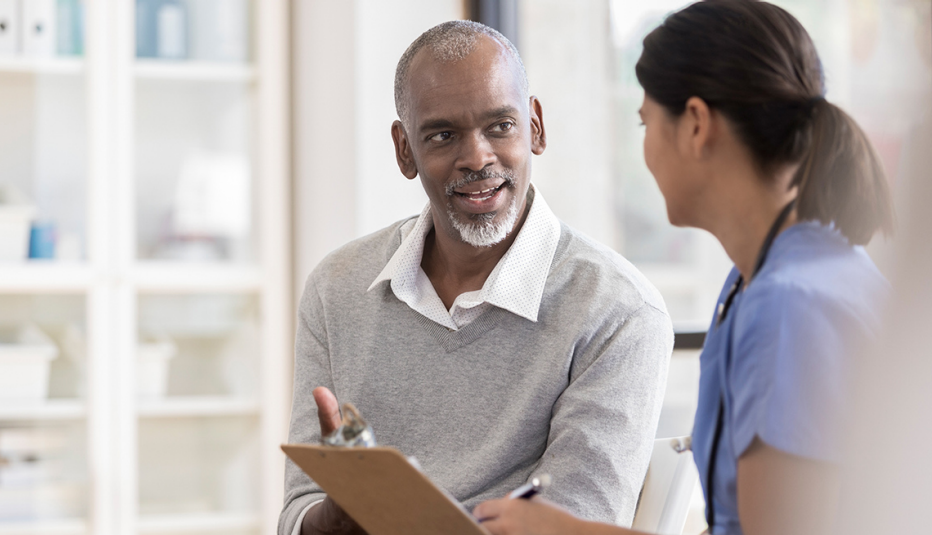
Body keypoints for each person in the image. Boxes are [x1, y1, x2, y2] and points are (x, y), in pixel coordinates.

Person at [473, 1, 894, 534]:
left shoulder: (789, 308)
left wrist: (561, 531)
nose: (644, 148)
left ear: (695, 124)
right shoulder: (766, 280)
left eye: (646, 122)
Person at [278, 20, 674, 535]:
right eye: (443, 135)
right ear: (404, 150)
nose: (477, 157)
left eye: (500, 126)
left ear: (534, 126)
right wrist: (341, 513)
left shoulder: (617, 310)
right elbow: (295, 514)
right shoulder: (337, 288)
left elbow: (578, 523)